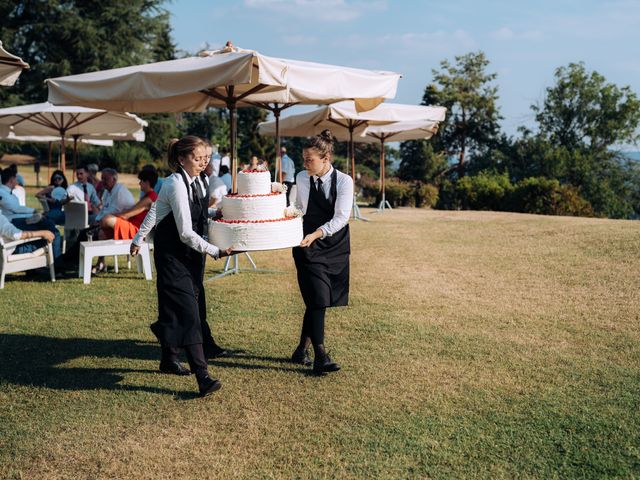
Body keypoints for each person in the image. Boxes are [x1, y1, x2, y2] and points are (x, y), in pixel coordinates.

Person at [131, 136, 234, 397]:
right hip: (173, 257)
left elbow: (186, 213)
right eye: (198, 158)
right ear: (181, 159)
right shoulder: (174, 183)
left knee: (183, 306)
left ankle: (167, 354)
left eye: (206, 158)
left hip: (191, 257)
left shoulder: (199, 180)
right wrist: (215, 251)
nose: (204, 163)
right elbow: (185, 231)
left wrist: (217, 215)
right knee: (189, 314)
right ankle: (203, 377)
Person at [291, 129, 353, 374]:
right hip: (306, 246)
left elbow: (341, 218)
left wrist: (317, 233)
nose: (305, 164)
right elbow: (298, 208)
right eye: (304, 159)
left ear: (326, 158)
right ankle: (321, 355)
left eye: (310, 160)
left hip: (334, 245)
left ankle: (300, 350)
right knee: (317, 296)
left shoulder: (345, 181)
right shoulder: (302, 177)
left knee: (319, 301)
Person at [0, 166, 63, 259]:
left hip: (17, 221)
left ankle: (55, 262)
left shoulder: (10, 193)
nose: (17, 180)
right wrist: (33, 211)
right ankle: (57, 264)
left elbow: (16, 211)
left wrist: (35, 215)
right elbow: (15, 209)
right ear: (12, 179)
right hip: (14, 223)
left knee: (50, 226)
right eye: (16, 178)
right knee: (53, 231)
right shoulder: (1, 192)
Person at [98, 168, 158, 241]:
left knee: (106, 219)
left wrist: (113, 216)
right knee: (103, 232)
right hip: (132, 225)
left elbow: (127, 214)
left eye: (141, 181)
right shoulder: (149, 196)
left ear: (147, 182)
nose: (139, 183)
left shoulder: (150, 197)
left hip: (136, 229)